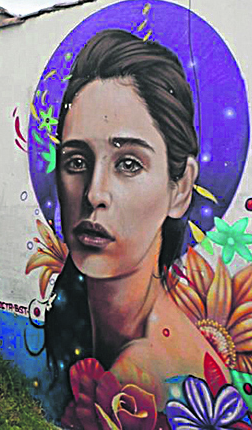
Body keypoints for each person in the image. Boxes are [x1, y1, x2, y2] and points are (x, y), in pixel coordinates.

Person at [44, 29, 230, 403]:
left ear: (179, 189)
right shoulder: (78, 320)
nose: (95, 194)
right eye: (76, 161)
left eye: (128, 163)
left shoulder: (161, 371)